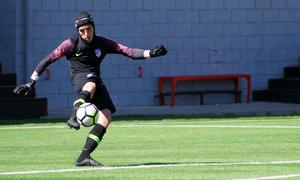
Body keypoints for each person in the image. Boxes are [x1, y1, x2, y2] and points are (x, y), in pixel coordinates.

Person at [13, 11, 167, 166]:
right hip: (80, 78)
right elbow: (48, 59)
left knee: (106, 117)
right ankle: (74, 115)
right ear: (78, 31)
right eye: (82, 31)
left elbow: (128, 52)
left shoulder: (103, 43)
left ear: (93, 27)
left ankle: (84, 157)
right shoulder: (70, 44)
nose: (86, 34)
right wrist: (31, 82)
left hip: (95, 80)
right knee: (91, 83)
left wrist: (151, 53)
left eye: (89, 29)